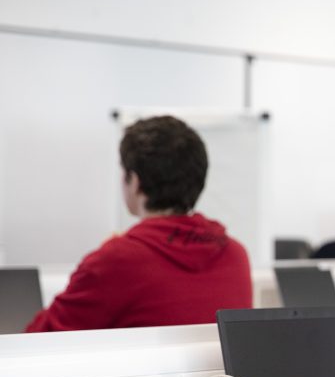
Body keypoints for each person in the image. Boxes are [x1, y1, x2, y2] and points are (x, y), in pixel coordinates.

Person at [25, 116, 252, 332]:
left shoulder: (116, 260)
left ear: (134, 181)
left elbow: (39, 340)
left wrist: (110, 254)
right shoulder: (236, 255)